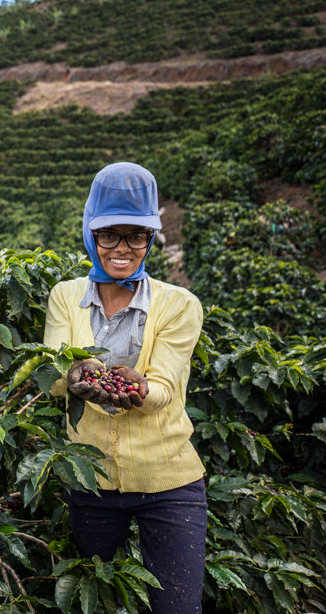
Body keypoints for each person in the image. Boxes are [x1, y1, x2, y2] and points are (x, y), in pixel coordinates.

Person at [43, 162, 206, 614]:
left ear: (151, 239)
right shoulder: (65, 296)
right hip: (91, 483)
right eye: (108, 235)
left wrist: (140, 390)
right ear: (89, 233)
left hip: (170, 481)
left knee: (177, 607)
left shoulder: (179, 304)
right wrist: (77, 378)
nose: (123, 248)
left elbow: (166, 387)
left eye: (137, 236)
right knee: (96, 602)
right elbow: (55, 378)